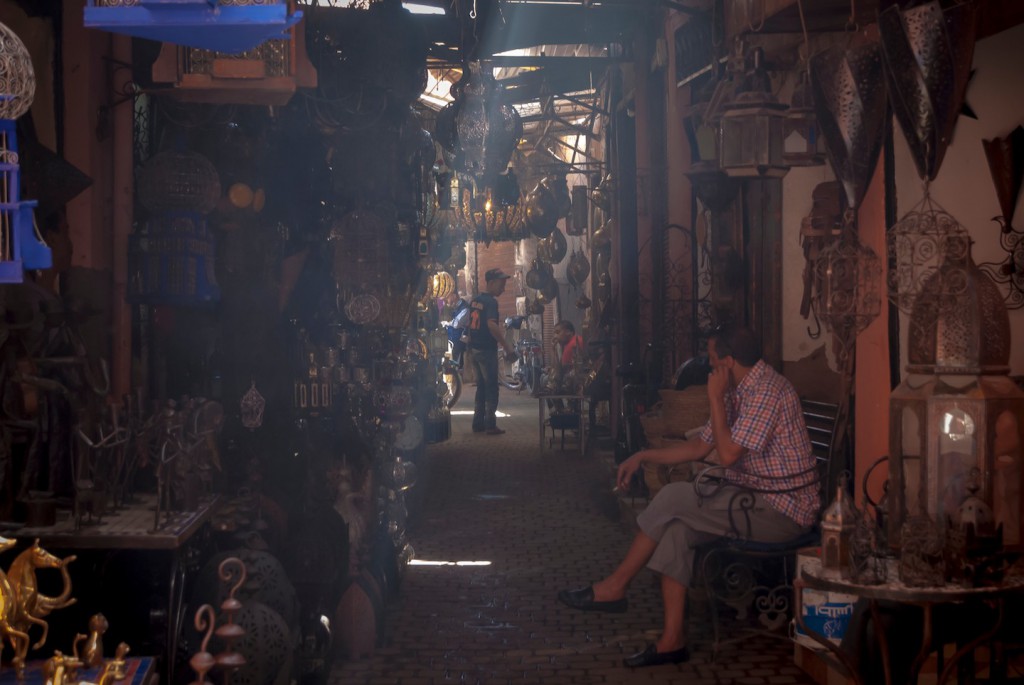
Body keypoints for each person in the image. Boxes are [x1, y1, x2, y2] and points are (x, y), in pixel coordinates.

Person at [557, 325, 819, 667]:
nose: (710, 369)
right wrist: (642, 457)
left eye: (712, 361)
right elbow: (699, 447)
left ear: (728, 362)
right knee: (677, 531)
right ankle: (672, 641)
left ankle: (615, 587)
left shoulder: (766, 391)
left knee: (673, 498)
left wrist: (714, 398)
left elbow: (725, 456)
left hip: (782, 512)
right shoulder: (739, 390)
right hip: (751, 500)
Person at [467, 268, 516, 435]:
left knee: (481, 387)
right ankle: (490, 424)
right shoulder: (491, 302)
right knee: (492, 388)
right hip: (487, 350)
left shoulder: (475, 300)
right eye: (501, 284)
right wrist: (507, 346)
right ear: (492, 282)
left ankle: (477, 423)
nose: (503, 289)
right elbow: (491, 324)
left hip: (475, 349)